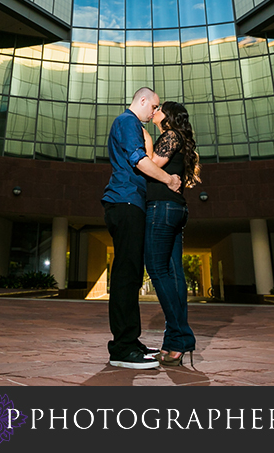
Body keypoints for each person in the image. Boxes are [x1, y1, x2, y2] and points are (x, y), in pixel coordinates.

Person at [102, 87, 181, 369]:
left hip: (130, 203)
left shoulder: (134, 125)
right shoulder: (127, 121)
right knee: (126, 275)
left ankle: (129, 341)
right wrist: (169, 179)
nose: (154, 113)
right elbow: (139, 160)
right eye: (154, 106)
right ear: (143, 100)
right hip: (123, 203)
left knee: (133, 275)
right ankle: (121, 348)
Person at [143, 100, 200, 366]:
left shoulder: (170, 135)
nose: (154, 111)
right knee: (174, 273)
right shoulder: (178, 137)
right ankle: (174, 342)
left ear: (168, 116)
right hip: (176, 209)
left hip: (163, 209)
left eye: (159, 108)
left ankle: (181, 336)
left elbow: (152, 163)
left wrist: (144, 136)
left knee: (156, 268)